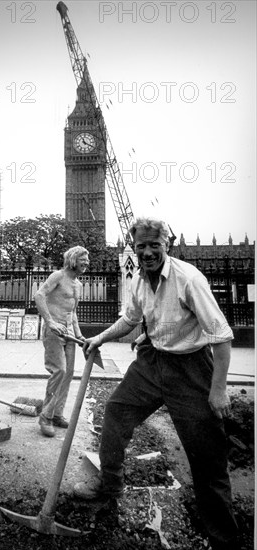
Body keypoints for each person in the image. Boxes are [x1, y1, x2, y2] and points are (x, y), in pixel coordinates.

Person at [73, 217, 239, 550]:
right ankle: (110, 486)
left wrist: (218, 390)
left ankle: (224, 536)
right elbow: (131, 319)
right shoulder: (137, 279)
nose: (147, 253)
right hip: (152, 362)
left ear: (168, 244)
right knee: (116, 413)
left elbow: (221, 337)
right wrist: (100, 338)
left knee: (207, 454)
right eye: (140, 247)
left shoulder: (189, 279)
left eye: (154, 245)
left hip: (191, 369)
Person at [34, 246, 89, 437]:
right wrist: (49, 321)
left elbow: (72, 312)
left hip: (69, 334)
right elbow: (39, 295)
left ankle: (57, 414)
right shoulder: (57, 276)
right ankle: (45, 417)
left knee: (68, 374)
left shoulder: (78, 285)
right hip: (54, 331)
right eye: (83, 259)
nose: (87, 263)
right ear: (74, 260)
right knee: (60, 371)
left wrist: (80, 335)